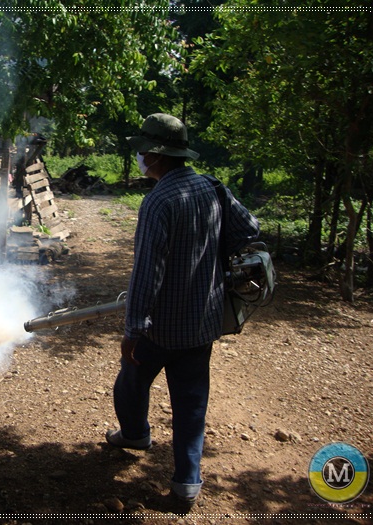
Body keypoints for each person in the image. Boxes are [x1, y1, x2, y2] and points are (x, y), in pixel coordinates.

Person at [105, 113, 260, 505]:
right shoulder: (211, 187)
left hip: (161, 328)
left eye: (143, 149)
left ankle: (135, 433)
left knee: (132, 380)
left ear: (156, 155)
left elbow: (147, 272)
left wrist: (133, 330)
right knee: (191, 403)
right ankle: (187, 485)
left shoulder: (158, 201)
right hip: (203, 321)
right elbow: (248, 228)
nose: (140, 155)